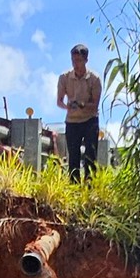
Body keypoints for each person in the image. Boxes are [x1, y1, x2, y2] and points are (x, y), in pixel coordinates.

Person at [56, 44, 103, 181]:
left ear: (86, 60)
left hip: (90, 120)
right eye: (73, 60)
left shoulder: (94, 79)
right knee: (73, 157)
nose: (76, 64)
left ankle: (90, 187)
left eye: (79, 61)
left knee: (90, 155)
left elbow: (95, 105)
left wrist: (82, 105)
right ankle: (74, 187)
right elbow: (59, 101)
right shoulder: (64, 78)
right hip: (72, 121)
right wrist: (68, 106)